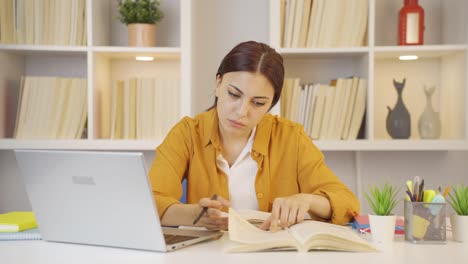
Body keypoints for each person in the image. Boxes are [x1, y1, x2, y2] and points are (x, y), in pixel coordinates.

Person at [148, 40, 359, 231]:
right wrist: (197, 215)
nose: (242, 112)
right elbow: (149, 201)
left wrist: (307, 201)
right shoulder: (187, 133)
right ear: (218, 83)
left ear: (270, 105)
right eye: (234, 94)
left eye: (258, 103)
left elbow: (347, 203)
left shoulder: (291, 137)